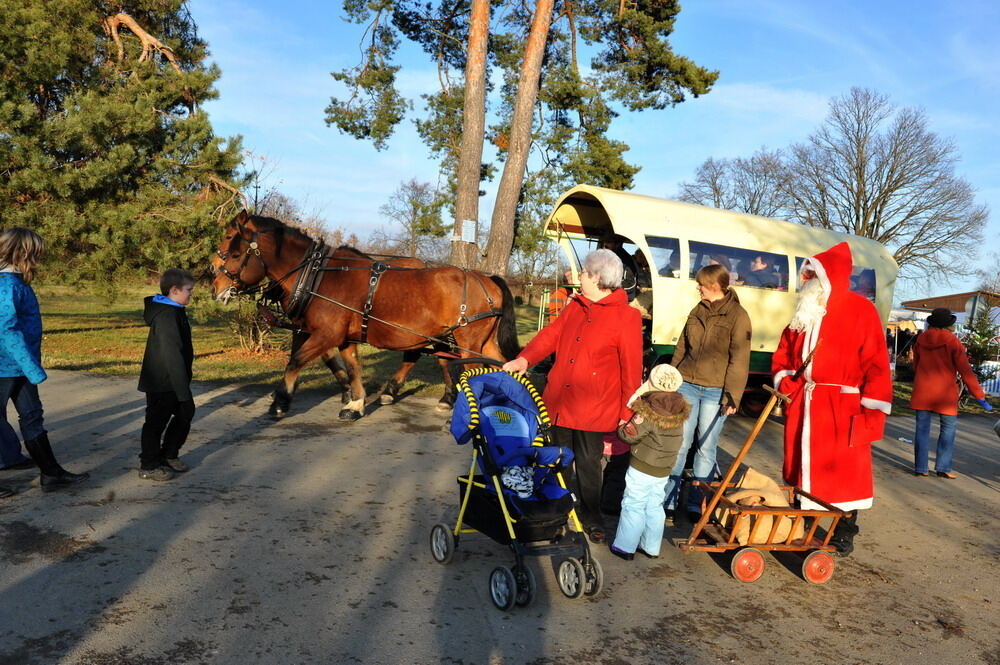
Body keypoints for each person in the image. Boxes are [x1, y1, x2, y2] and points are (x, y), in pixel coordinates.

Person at [503, 249, 643, 544]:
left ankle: (592, 518)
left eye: (584, 272)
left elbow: (632, 368)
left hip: (595, 408)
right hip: (558, 402)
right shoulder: (575, 305)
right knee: (556, 463)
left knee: (589, 467)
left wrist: (627, 411)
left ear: (597, 277)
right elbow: (550, 336)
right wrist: (524, 359)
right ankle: (557, 514)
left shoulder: (626, 316)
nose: (579, 276)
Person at [771, 242, 892, 555]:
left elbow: (877, 364)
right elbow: (783, 353)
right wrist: (788, 385)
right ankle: (801, 521)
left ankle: (844, 530)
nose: (805, 282)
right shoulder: (805, 311)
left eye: (812, 276)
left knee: (843, 472)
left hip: (842, 405)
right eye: (807, 275)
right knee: (799, 464)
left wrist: (872, 410)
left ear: (829, 278)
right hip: (804, 402)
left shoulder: (861, 311)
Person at [0, 227, 89, 493]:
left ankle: (51, 474)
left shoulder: (15, 282)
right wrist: (33, 369)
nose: (39, 260)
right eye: (36, 255)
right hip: (5, 367)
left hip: (19, 366)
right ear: (22, 253)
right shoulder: (6, 286)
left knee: (32, 416)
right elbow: (6, 330)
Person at [664, 264, 751, 519]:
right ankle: (669, 501)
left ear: (714, 285)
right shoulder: (697, 309)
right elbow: (682, 346)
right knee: (680, 444)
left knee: (705, 448)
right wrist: (671, 377)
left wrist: (732, 395)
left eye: (701, 283)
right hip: (688, 384)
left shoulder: (738, 315)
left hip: (716, 392)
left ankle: (696, 504)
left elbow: (740, 359)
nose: (698, 288)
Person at [609, 364, 689, 560]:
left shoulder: (649, 408)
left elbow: (631, 435)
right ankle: (651, 547)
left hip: (642, 465)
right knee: (654, 504)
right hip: (664, 467)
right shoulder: (679, 407)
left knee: (633, 503)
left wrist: (621, 429)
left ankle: (625, 547)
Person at [909, 307, 992, 478]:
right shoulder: (952, 340)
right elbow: (965, 370)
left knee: (922, 429)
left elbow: (916, 365)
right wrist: (979, 395)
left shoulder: (921, 339)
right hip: (945, 392)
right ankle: (943, 467)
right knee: (948, 428)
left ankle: (921, 467)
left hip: (923, 389)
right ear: (947, 325)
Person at [138, 268, 196, 481]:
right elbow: (172, 356)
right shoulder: (166, 315)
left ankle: (168, 455)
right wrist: (183, 392)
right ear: (174, 290)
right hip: (162, 381)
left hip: (175, 380)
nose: (191, 294)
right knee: (155, 423)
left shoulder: (174, 310)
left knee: (185, 415)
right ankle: (149, 464)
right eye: (189, 290)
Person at [598, 233, 639, 301]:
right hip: (611, 294)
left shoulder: (626, 260)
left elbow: (630, 283)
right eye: (604, 242)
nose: (605, 244)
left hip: (624, 298)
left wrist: (609, 287)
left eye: (608, 242)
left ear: (617, 244)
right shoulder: (609, 256)